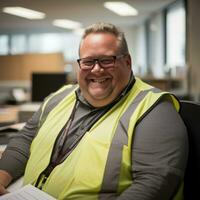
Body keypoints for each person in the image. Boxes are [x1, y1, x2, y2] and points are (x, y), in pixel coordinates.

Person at [0, 22, 188, 200]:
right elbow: (25, 140)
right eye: (88, 62)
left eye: (107, 60)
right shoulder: (60, 97)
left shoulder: (153, 110)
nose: (96, 69)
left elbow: (155, 182)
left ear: (128, 62)